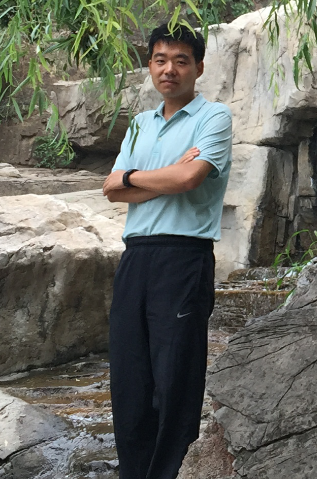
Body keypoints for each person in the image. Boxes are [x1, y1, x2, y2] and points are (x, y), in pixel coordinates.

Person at [102, 23, 232, 479]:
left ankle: (171, 473)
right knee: (130, 374)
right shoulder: (141, 123)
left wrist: (138, 178)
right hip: (135, 257)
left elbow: (189, 178)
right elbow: (111, 189)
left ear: (199, 67)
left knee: (175, 375)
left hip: (183, 257)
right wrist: (161, 177)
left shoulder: (214, 117)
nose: (169, 70)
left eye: (180, 61)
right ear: (150, 65)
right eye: (160, 60)